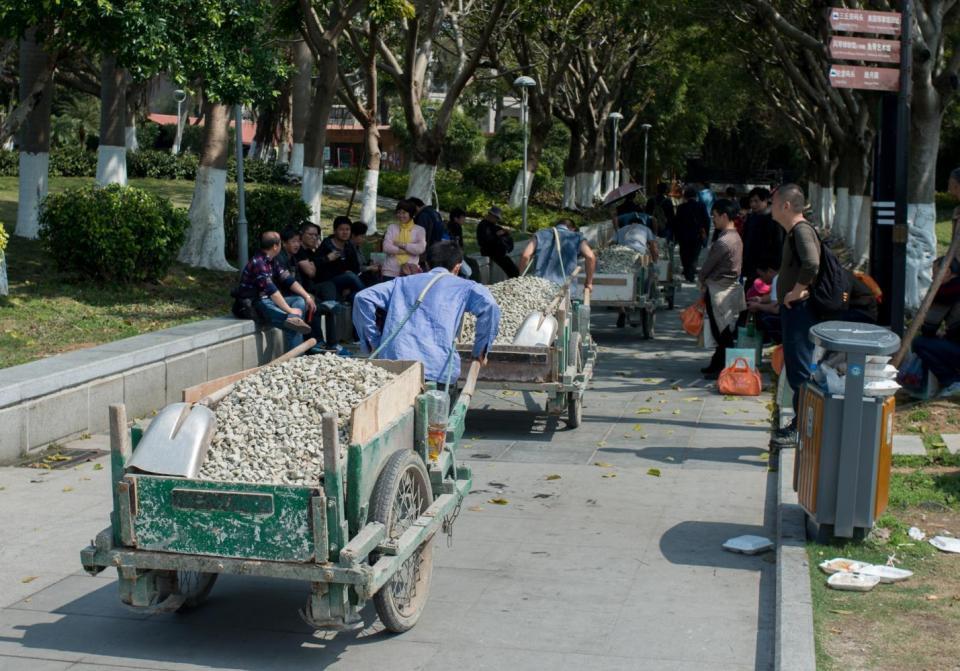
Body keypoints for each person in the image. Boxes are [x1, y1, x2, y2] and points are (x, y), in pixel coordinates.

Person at [353, 241, 501, 387]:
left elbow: (363, 297)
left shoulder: (401, 283)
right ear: (457, 267)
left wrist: (373, 342)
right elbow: (490, 306)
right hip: (436, 370)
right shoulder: (467, 287)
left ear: (427, 265)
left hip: (393, 366)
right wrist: (481, 350)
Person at [770, 183, 820, 449]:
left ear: (786, 206)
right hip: (794, 311)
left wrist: (797, 291)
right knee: (796, 369)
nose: (771, 208)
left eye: (774, 203)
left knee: (800, 370)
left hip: (800, 312)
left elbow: (812, 262)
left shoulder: (800, 231)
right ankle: (800, 425)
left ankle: (801, 429)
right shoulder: (794, 231)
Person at [234, 231, 317, 352]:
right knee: (295, 328)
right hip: (255, 303)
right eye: (280, 243)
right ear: (275, 246)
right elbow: (272, 291)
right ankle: (296, 361)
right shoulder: (259, 263)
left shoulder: (272, 260)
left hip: (268, 300)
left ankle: (293, 320)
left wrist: (307, 297)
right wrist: (290, 310)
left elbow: (288, 280)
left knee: (299, 300)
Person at [698, 199, 746, 378]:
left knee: (721, 333)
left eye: (715, 216)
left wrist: (701, 279)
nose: (713, 220)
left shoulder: (724, 241)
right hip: (729, 288)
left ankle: (724, 369)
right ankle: (716, 364)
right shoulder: (735, 237)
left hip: (718, 289)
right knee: (723, 331)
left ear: (725, 216)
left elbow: (707, 267)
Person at [913, 256, 960, 397]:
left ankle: (953, 381)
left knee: (920, 343)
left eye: (934, 272)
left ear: (946, 272)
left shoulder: (949, 290)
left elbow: (929, 326)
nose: (932, 277)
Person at [518, 218, 596, 288]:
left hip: (539, 286)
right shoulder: (576, 236)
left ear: (556, 226)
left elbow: (525, 255)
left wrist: (521, 277)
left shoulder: (540, 234)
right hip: (564, 288)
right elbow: (590, 256)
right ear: (573, 229)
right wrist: (589, 282)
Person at [317, 216, 366, 300]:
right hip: (329, 282)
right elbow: (318, 267)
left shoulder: (349, 246)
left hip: (348, 281)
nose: (345, 232)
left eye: (347, 229)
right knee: (350, 276)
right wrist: (328, 259)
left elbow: (356, 268)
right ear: (335, 231)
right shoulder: (326, 245)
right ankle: (371, 297)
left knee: (355, 296)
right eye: (341, 229)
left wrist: (348, 286)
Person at [741, 187, 783, 284]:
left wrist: (771, 268)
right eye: (751, 201)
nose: (753, 204)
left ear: (765, 201)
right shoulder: (751, 218)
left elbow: (778, 245)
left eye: (756, 201)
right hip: (751, 267)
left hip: (766, 269)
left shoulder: (774, 220)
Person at [382, 200, 427, 279]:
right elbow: (386, 247)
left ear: (411, 214)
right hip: (390, 271)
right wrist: (409, 250)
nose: (400, 215)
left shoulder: (420, 230)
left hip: (410, 273)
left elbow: (420, 249)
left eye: (404, 213)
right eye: (399, 212)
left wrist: (401, 245)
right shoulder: (392, 227)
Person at [673, 185, 710, 281]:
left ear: (685, 197)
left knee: (684, 254)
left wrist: (676, 236)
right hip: (697, 234)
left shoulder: (681, 207)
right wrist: (706, 233)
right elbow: (706, 220)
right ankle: (691, 273)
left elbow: (676, 222)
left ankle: (687, 271)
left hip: (683, 235)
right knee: (694, 255)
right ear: (695, 196)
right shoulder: (701, 206)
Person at [477, 206, 519, 278]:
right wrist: (496, 235)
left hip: (498, 251)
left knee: (513, 269)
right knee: (513, 270)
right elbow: (484, 241)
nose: (497, 220)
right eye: (496, 218)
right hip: (490, 251)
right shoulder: (483, 225)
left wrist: (506, 232)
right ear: (491, 215)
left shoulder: (493, 225)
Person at [747, 261, 781, 344]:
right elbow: (775, 297)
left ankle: (770, 342)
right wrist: (760, 299)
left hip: (787, 317)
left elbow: (775, 308)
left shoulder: (777, 279)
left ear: (770, 271)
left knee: (764, 317)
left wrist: (757, 306)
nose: (761, 279)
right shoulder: (779, 277)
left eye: (761, 276)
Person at [350, 221, 381, 286]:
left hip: (364, 276)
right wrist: (369, 267)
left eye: (364, 237)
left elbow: (364, 263)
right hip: (357, 278)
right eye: (362, 237)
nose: (364, 239)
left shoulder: (358, 247)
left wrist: (371, 264)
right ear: (353, 235)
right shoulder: (349, 249)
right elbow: (355, 268)